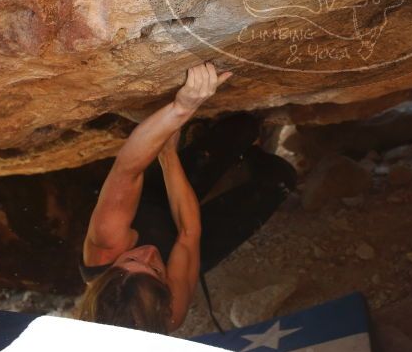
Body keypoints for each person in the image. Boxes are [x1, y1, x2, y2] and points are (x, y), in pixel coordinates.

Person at [77, 62, 296, 334]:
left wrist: (179, 114)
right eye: (156, 270)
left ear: (110, 270)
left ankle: (220, 137)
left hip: (149, 201)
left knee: (240, 128)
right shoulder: (170, 310)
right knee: (281, 180)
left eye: (132, 261)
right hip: (185, 239)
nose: (149, 254)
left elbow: (128, 169)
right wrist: (170, 156)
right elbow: (189, 234)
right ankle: (251, 154)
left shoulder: (106, 244)